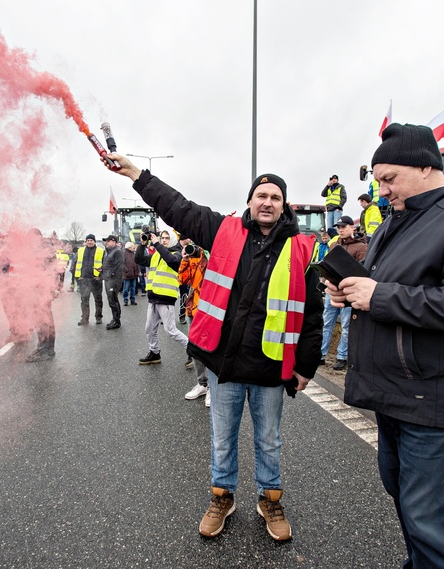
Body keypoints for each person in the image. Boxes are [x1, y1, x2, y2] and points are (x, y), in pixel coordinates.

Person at [106, 153, 323, 542]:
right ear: (250, 201)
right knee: (222, 438)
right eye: (261, 195)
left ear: (284, 205)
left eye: (275, 196)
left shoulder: (303, 250)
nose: (267, 202)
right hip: (223, 364)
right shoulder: (222, 230)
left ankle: (269, 499)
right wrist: (138, 175)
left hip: (272, 367)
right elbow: (178, 207)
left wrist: (306, 365)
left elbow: (312, 314)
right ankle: (222, 497)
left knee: (269, 440)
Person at [326, 123, 444, 567]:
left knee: (434, 530)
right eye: (378, 181)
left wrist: (379, 296)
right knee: (411, 512)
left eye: (390, 178)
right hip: (393, 395)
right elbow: (381, 287)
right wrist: (351, 290)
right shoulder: (398, 220)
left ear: (427, 166)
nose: (382, 190)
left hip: (435, 403)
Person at [134, 229, 189, 364]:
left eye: (166, 238)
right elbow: (139, 259)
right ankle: (155, 353)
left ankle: (193, 351)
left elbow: (171, 261)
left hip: (166, 298)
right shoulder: (156, 255)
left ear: (173, 240)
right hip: (153, 297)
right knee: (149, 329)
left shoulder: (177, 254)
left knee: (171, 331)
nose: (163, 240)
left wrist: (157, 244)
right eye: (162, 237)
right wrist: (142, 244)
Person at [320, 215, 367, 371]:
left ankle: (342, 357)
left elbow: (362, 271)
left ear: (351, 228)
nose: (340, 230)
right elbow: (327, 264)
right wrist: (325, 280)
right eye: (338, 227)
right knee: (327, 323)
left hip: (348, 293)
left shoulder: (361, 247)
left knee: (346, 325)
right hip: (332, 290)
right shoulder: (334, 245)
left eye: (343, 227)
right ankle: (320, 354)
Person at [178, 240, 210, 405]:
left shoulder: (213, 251)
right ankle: (202, 383)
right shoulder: (192, 255)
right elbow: (183, 280)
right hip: (194, 307)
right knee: (196, 347)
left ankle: (213, 388)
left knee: (211, 348)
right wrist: (185, 258)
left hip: (211, 308)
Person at [23, 228, 60, 362]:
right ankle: (49, 349)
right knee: (47, 318)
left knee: (41, 319)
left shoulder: (40, 250)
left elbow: (52, 270)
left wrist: (54, 288)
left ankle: (43, 349)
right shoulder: (45, 248)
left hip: (40, 289)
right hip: (43, 288)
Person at [75, 234, 104, 325]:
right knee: (84, 300)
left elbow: (105, 265)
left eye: (91, 240)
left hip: (96, 279)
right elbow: (76, 264)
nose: (90, 242)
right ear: (86, 242)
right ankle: (84, 319)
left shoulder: (101, 251)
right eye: (88, 240)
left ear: (94, 241)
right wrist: (77, 277)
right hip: (84, 280)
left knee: (98, 299)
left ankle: (98, 317)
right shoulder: (80, 251)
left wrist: (101, 277)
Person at [101, 235, 124, 329]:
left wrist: (111, 276)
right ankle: (115, 318)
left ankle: (116, 321)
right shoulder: (108, 252)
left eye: (108, 241)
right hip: (108, 279)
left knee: (113, 300)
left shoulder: (117, 252)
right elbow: (109, 265)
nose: (106, 242)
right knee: (112, 300)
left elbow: (119, 267)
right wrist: (102, 269)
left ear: (114, 242)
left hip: (113, 281)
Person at [177, 235, 192, 324]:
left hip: (185, 277)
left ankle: (182, 315)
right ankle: (166, 317)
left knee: (183, 297)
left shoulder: (191, 249)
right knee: (172, 298)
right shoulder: (175, 248)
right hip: (174, 277)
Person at [122, 241, 140, 306]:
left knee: (133, 288)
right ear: (129, 247)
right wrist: (126, 271)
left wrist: (138, 271)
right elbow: (122, 264)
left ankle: (133, 300)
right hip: (127, 274)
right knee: (126, 288)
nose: (134, 247)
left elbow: (136, 263)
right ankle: (125, 300)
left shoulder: (133, 254)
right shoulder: (124, 253)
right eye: (132, 246)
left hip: (134, 274)